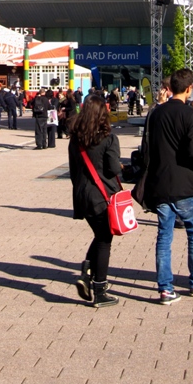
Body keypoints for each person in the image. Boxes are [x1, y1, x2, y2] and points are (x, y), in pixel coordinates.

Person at [144, 69, 193, 303]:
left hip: (161, 182)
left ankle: (165, 288)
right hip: (185, 183)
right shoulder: (191, 116)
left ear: (170, 88)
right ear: (189, 88)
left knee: (164, 236)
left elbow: (148, 149)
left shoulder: (156, 114)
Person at [68, 94, 123, 308]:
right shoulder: (108, 138)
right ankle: (99, 288)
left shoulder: (76, 138)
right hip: (101, 196)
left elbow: (73, 170)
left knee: (100, 235)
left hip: (82, 194)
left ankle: (87, 273)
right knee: (104, 240)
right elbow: (112, 168)